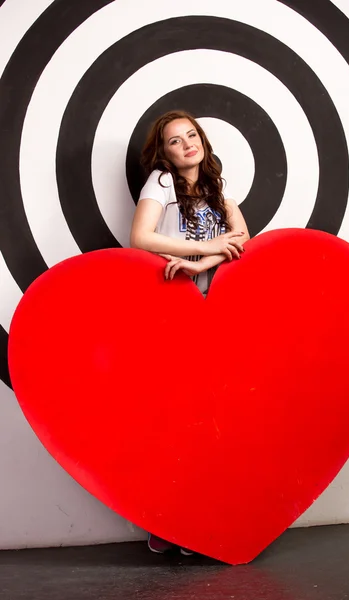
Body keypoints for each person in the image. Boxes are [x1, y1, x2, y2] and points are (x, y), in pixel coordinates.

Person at [129, 110, 250, 554]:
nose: (186, 145)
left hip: (216, 309)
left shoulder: (219, 185)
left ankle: (202, 523)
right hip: (171, 309)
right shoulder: (161, 184)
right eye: (175, 141)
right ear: (163, 152)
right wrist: (203, 246)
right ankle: (167, 523)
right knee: (173, 416)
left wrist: (204, 262)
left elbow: (242, 237)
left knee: (214, 417)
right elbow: (141, 236)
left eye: (191, 135)